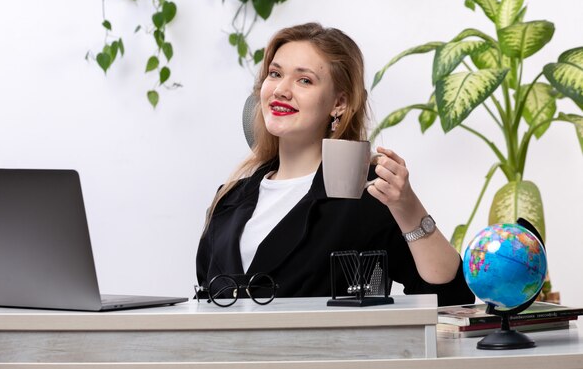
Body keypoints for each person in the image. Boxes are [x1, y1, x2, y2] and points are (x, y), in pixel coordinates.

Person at [196, 22, 474, 306]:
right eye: (275, 74)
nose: (280, 89)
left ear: (339, 103)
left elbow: (449, 300)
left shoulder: (368, 194)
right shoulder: (228, 200)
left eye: (304, 80)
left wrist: (408, 207)